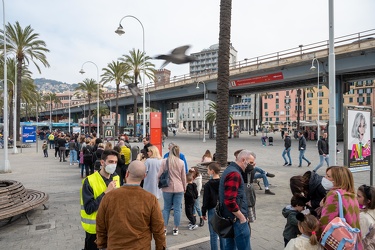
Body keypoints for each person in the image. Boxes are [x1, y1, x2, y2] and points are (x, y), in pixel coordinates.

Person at [95, 160, 166, 250]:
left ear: (127, 174)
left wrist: (102, 244)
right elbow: (158, 228)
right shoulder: (150, 199)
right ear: (144, 176)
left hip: (115, 246)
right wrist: (160, 247)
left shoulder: (109, 197)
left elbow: (100, 223)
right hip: (141, 247)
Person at [80, 149, 120, 250]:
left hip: (112, 228)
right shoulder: (89, 181)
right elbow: (89, 208)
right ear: (102, 162)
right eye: (111, 162)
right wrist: (106, 192)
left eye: (115, 162)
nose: (114, 165)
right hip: (94, 230)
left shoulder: (116, 178)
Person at [319, 166, 363, 248]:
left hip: (339, 243)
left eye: (328, 176)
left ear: (338, 180)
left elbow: (325, 222)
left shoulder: (334, 195)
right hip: (352, 242)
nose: (324, 178)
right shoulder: (351, 195)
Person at [219, 150, 252, 250]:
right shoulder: (234, 174)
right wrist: (242, 217)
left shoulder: (230, 170)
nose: (251, 166)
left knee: (230, 245)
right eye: (250, 162)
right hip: (236, 220)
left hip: (230, 218)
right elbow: (229, 200)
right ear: (243, 160)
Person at [158, 144, 186, 236]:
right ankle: (175, 228)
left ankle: (164, 228)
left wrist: (159, 184)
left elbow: (159, 175)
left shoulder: (164, 161)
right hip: (179, 188)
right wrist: (184, 188)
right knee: (177, 209)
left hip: (167, 188)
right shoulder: (181, 162)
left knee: (166, 208)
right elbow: (183, 177)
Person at [202, 162, 225, 250]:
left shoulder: (208, 184)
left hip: (212, 209)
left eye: (208, 169)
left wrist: (203, 212)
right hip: (222, 208)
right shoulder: (222, 183)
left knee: (213, 233)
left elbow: (206, 200)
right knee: (223, 232)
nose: (207, 171)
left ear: (212, 171)